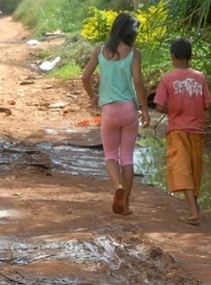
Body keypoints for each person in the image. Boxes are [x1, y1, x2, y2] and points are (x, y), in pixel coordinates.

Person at [82, 12, 150, 216]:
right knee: (127, 157)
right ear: (130, 33)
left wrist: (93, 96)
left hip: (109, 110)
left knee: (111, 155)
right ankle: (126, 205)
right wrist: (145, 109)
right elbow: (138, 82)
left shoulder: (100, 51)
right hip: (129, 109)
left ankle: (117, 187)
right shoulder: (134, 53)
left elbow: (85, 77)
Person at [154, 38, 211, 226]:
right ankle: (193, 205)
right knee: (194, 168)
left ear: (172, 57)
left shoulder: (167, 79)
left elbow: (160, 107)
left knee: (181, 168)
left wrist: (172, 107)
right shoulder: (200, 77)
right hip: (197, 131)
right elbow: (207, 104)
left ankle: (193, 213)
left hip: (177, 130)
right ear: (191, 56)